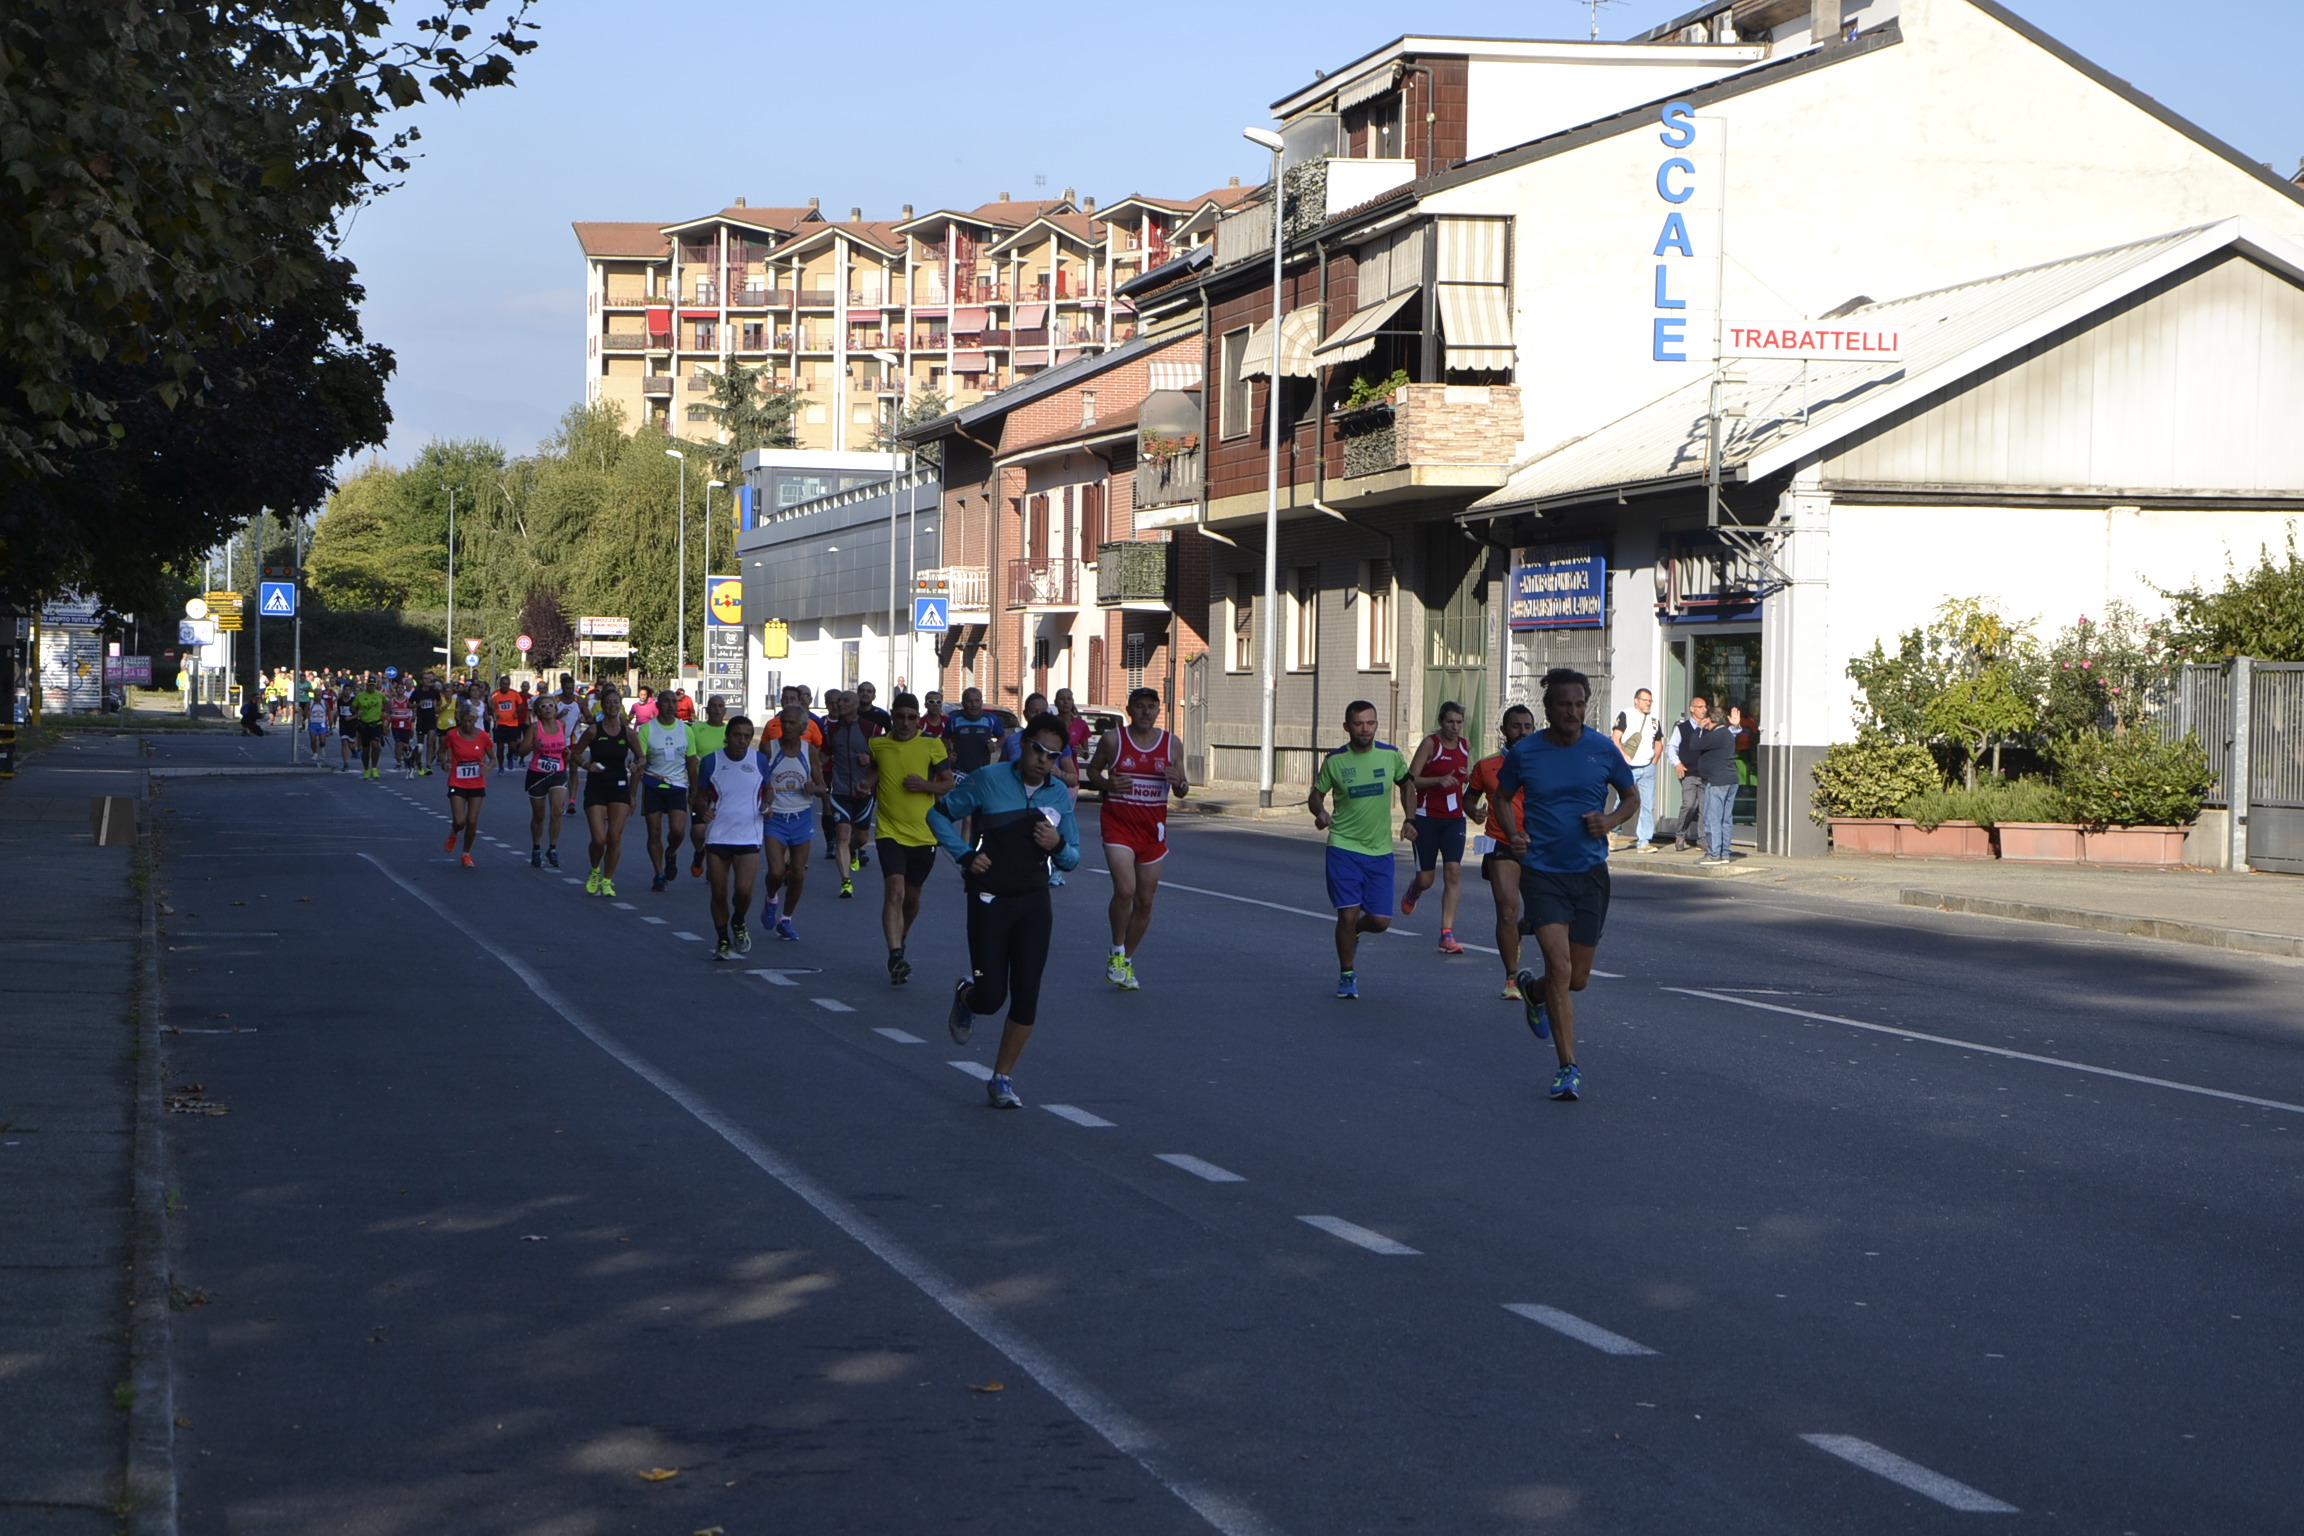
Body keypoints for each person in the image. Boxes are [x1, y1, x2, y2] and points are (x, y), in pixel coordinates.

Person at [1494, 667, 1639, 1103]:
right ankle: (1567, 1068)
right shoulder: (1527, 752)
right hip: (1542, 873)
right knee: (1559, 968)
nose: (1573, 712)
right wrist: (1514, 834)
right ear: (1548, 708)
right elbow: (1502, 797)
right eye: (1564, 704)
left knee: (1576, 979)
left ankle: (1532, 991)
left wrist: (1611, 821)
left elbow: (1630, 796)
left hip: (1591, 874)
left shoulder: (1602, 749)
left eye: (1579, 704)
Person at [930, 711, 1080, 1109]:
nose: (1043, 760)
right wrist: (964, 855)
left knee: (1027, 993)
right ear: (1023, 744)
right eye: (1037, 750)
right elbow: (938, 815)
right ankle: (967, 997)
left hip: (1034, 902)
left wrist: (1057, 845)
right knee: (992, 997)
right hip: (989, 899)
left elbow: (1073, 857)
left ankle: (1002, 1077)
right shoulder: (989, 779)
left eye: (1053, 755)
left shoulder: (1058, 796)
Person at [1306, 701, 1413, 1000]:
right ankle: (1347, 974)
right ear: (1347, 727)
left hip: (1380, 850)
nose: (1365, 729)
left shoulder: (1391, 756)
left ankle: (1356, 932)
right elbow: (1316, 795)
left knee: (1380, 921)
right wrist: (1321, 813)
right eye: (1358, 723)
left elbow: (1407, 785)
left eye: (1370, 723)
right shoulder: (1335, 761)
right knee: (1348, 915)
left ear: (1376, 725)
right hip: (1344, 847)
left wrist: (1410, 818)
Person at [1083, 686, 1187, 990]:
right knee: (1125, 891)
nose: (1146, 712)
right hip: (1119, 825)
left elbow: (1182, 786)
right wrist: (1108, 784)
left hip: (1153, 830)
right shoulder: (1115, 740)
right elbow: (1093, 771)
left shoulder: (1172, 744)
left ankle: (1126, 960)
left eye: (1151, 707)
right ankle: (1116, 949)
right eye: (1139, 706)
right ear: (1129, 710)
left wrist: (1179, 783)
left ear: (1158, 710)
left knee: (1144, 901)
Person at [867, 693, 955, 985]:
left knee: (912, 896)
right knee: (895, 892)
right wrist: (865, 783)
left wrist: (924, 785)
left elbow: (948, 784)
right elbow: (877, 771)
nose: (905, 723)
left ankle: (901, 938)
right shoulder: (878, 744)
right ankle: (894, 955)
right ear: (892, 716)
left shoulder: (932, 744)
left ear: (918, 719)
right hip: (889, 831)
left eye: (911, 717)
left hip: (923, 833)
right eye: (900, 716)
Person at [1464, 704, 1538, 999]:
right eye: (1516, 726)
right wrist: (1475, 813)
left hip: (1539, 843)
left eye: (1527, 726)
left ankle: (1517, 933)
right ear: (1504, 730)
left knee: (1538, 916)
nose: (1522, 731)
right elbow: (1468, 798)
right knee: (1507, 909)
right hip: (1500, 842)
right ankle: (1511, 977)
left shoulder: (1544, 763)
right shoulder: (1487, 765)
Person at [692, 714, 769, 960]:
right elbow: (699, 796)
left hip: (749, 834)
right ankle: (723, 938)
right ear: (728, 737)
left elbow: (769, 791)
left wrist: (768, 804)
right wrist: (703, 810)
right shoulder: (711, 761)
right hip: (718, 836)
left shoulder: (759, 760)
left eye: (747, 736)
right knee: (719, 892)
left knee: (744, 892)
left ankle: (738, 921)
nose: (742, 741)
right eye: (737, 735)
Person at [1401, 701, 1473, 955]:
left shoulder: (1465, 746)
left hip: (1454, 819)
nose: (1455, 727)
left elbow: (1464, 782)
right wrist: (1437, 781)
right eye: (1450, 721)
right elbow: (1409, 780)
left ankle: (1447, 934)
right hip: (1426, 817)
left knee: (1453, 873)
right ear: (1441, 722)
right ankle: (1414, 891)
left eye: (1459, 722)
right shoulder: (1431, 744)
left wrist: (1473, 809)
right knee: (1426, 879)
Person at [758, 707, 824, 942]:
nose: (787, 727)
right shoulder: (769, 749)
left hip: (801, 817)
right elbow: (758, 780)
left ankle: (786, 919)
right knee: (776, 871)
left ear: (803, 727)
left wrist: (814, 788)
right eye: (783, 722)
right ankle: (771, 898)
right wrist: (766, 797)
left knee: (797, 873)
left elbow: (822, 787)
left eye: (792, 723)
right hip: (775, 817)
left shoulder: (809, 752)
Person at [574, 684, 639, 897]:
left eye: (616, 703)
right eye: (609, 703)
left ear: (620, 707)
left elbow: (642, 757)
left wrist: (635, 766)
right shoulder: (594, 730)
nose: (612, 706)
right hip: (596, 788)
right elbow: (575, 754)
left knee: (614, 838)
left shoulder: (627, 733)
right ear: (603, 706)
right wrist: (587, 766)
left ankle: (608, 880)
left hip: (619, 788)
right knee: (599, 839)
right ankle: (595, 871)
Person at [823, 689, 880, 896]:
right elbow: (824, 755)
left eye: (845, 700)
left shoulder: (871, 729)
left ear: (856, 704)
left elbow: (882, 759)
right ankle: (846, 881)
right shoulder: (831, 730)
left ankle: (853, 851)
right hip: (839, 791)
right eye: (838, 701)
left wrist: (870, 759)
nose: (840, 704)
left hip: (864, 791)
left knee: (862, 837)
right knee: (843, 834)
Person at [636, 700, 694, 892]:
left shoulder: (685, 729)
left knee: (678, 831)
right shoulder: (647, 729)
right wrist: (633, 789)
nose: (671, 706)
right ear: (659, 706)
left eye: (673, 703)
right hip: (653, 784)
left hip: (677, 785)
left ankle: (670, 853)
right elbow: (640, 758)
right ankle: (659, 873)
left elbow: (691, 761)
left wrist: (694, 790)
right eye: (667, 702)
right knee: (654, 832)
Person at [438, 700, 493, 868]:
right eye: (465, 720)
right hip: (457, 781)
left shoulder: (483, 736)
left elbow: (493, 758)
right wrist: (445, 762)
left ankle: (466, 853)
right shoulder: (453, 735)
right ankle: (454, 832)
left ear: (476, 720)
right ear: (460, 719)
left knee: (472, 821)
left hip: (477, 783)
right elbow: (442, 752)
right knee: (460, 820)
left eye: (471, 720)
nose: (468, 724)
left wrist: (488, 768)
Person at [520, 694, 572, 868]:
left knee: (557, 810)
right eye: (543, 707)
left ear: (555, 709)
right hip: (537, 774)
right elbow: (521, 751)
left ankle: (553, 847)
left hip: (557, 772)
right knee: (539, 815)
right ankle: (536, 848)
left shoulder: (561, 725)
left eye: (551, 705)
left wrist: (566, 753)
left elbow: (563, 747)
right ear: (537, 712)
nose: (548, 708)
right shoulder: (534, 728)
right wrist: (533, 746)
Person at [1686, 700, 1741, 866]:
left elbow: (1694, 744)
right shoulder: (1725, 734)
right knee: (1725, 818)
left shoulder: (1716, 734)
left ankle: (1713, 854)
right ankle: (1724, 853)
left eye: (1706, 719)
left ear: (1710, 720)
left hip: (1717, 781)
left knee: (1712, 818)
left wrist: (1698, 728)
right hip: (1730, 780)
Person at [1610, 688, 1663, 852]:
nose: (1648, 703)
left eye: (1650, 700)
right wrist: (1623, 755)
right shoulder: (1626, 714)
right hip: (1629, 768)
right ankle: (1612, 832)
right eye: (1645, 700)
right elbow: (1615, 738)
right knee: (1622, 801)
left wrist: (1654, 760)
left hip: (1648, 767)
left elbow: (1659, 741)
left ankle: (1644, 841)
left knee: (1648, 805)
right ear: (1636, 700)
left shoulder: (1654, 720)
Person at [684, 694, 730, 880]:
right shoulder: (696, 730)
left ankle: (714, 865)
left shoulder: (730, 732)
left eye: (720, 706)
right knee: (699, 830)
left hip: (723, 788)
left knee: (719, 829)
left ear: (725, 710)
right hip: (700, 786)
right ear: (707, 709)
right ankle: (699, 851)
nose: (717, 709)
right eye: (713, 706)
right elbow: (689, 757)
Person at [1667, 698, 1710, 852]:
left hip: (1705, 774)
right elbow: (1671, 747)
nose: (1704, 710)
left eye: (1705, 707)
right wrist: (1677, 763)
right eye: (1700, 707)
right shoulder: (1682, 728)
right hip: (1689, 772)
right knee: (1689, 804)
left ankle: (1702, 839)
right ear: (1692, 709)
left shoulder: (1708, 727)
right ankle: (1680, 835)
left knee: (1704, 807)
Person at [353, 674, 387, 779]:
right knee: (366, 749)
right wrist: (357, 713)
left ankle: (375, 768)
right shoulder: (360, 696)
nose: (371, 687)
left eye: (373, 685)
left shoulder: (380, 695)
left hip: (376, 723)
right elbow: (353, 707)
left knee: (375, 745)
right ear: (366, 685)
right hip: (364, 724)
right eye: (369, 685)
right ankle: (366, 769)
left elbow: (387, 703)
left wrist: (384, 712)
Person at [489, 676, 524, 771]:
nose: (506, 686)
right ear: (500, 684)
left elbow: (521, 703)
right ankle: (501, 766)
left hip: (512, 724)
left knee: (513, 745)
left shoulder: (514, 693)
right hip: (499, 724)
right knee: (500, 747)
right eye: (504, 684)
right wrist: (494, 714)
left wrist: (517, 712)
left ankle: (509, 756)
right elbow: (490, 708)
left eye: (507, 684)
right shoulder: (494, 695)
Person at [411, 674, 441, 775]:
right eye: (425, 679)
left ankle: (428, 765)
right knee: (420, 745)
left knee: (430, 743)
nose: (428, 680)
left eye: (429, 679)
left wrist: (436, 707)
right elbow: (409, 704)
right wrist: (418, 704)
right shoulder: (417, 693)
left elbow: (440, 701)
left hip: (431, 720)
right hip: (421, 721)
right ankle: (418, 763)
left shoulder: (434, 692)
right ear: (421, 681)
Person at [385, 683, 416, 773]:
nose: (400, 689)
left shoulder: (408, 701)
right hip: (395, 725)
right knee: (398, 743)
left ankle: (407, 758)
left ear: (404, 690)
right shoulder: (391, 701)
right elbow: (388, 713)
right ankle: (398, 762)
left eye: (402, 688)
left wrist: (411, 718)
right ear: (396, 689)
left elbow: (414, 712)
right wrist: (386, 727)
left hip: (406, 725)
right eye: (398, 688)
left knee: (405, 745)